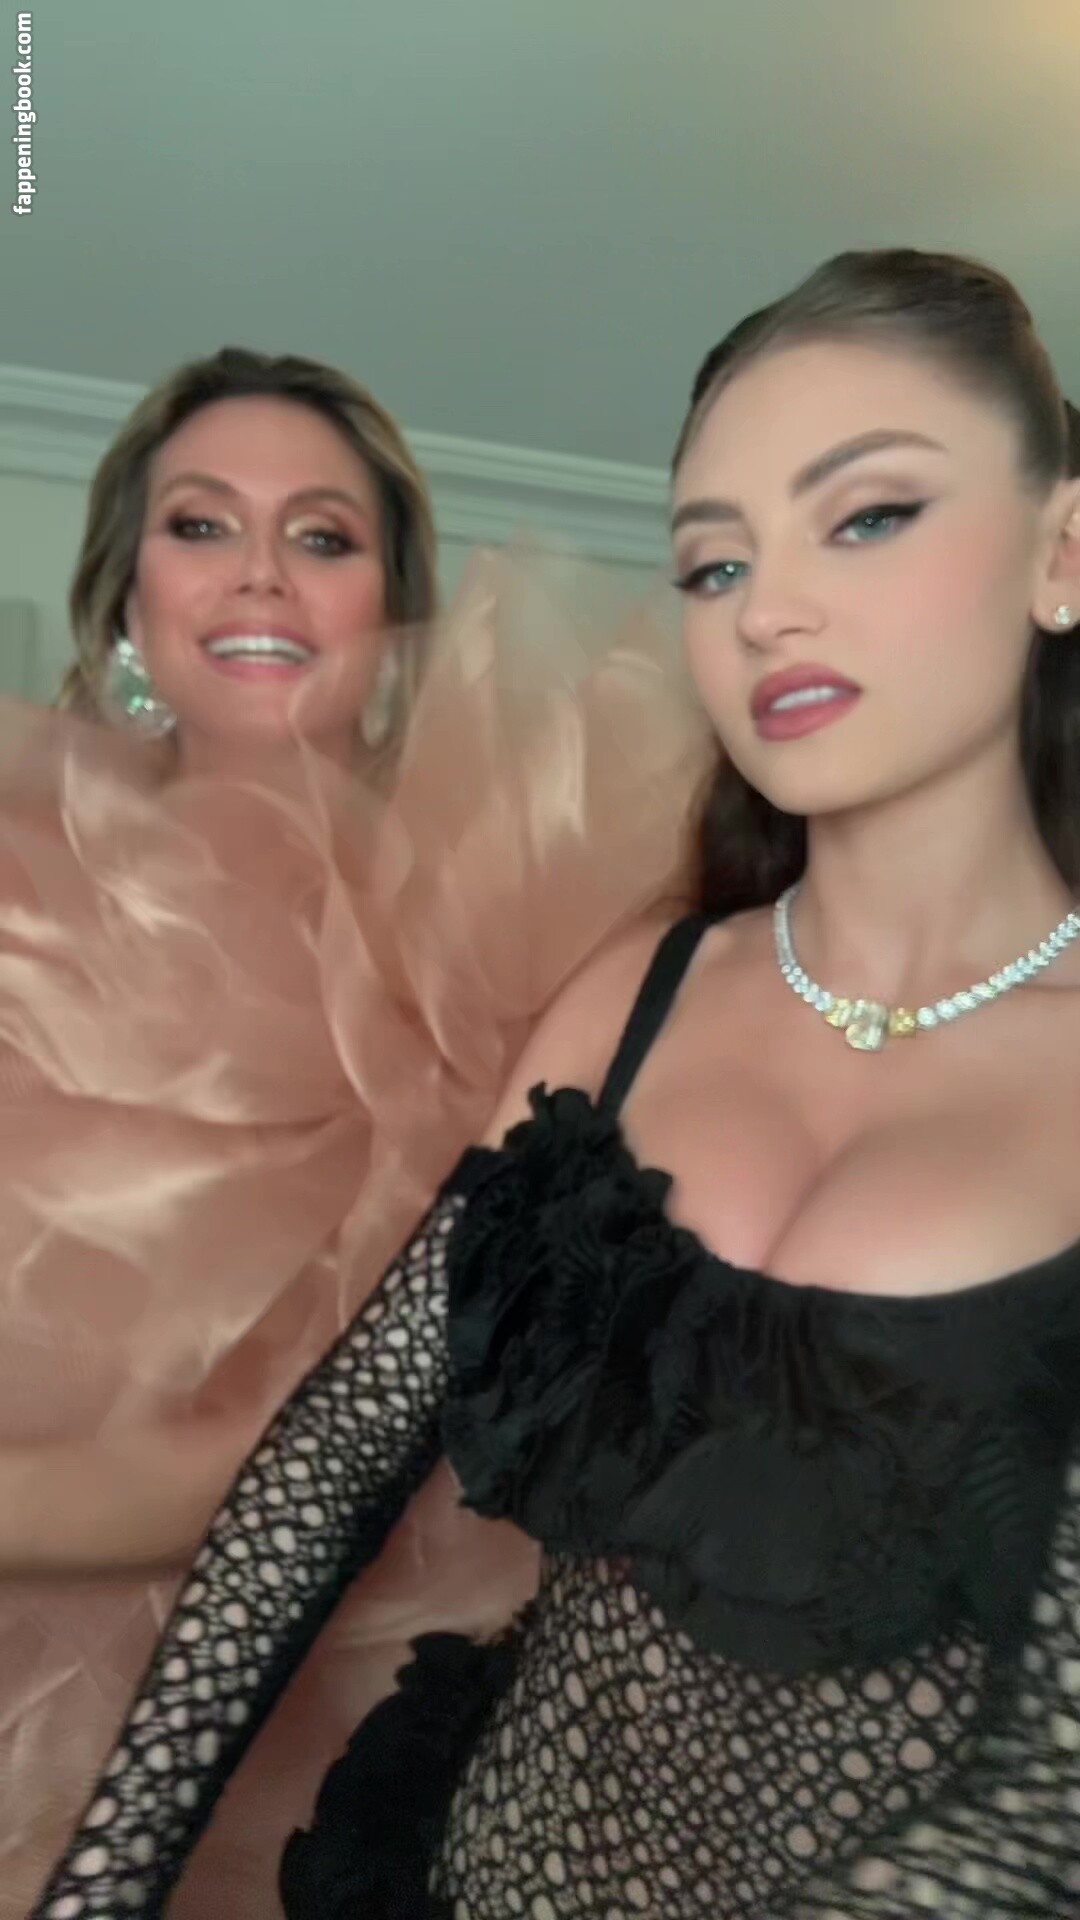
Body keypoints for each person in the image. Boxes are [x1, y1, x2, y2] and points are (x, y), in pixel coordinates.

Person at [36, 246, 1080, 1920]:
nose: (767, 608)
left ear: (1062, 553)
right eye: (714, 560)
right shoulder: (637, 993)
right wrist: (102, 1881)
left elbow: (1043, 1793)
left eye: (868, 515)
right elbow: (327, 1465)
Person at [0, 348, 702, 1917]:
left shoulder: (527, 930)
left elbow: (344, 1441)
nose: (260, 569)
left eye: (322, 536)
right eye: (201, 525)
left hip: (353, 1719)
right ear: (124, 600)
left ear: (393, 619)